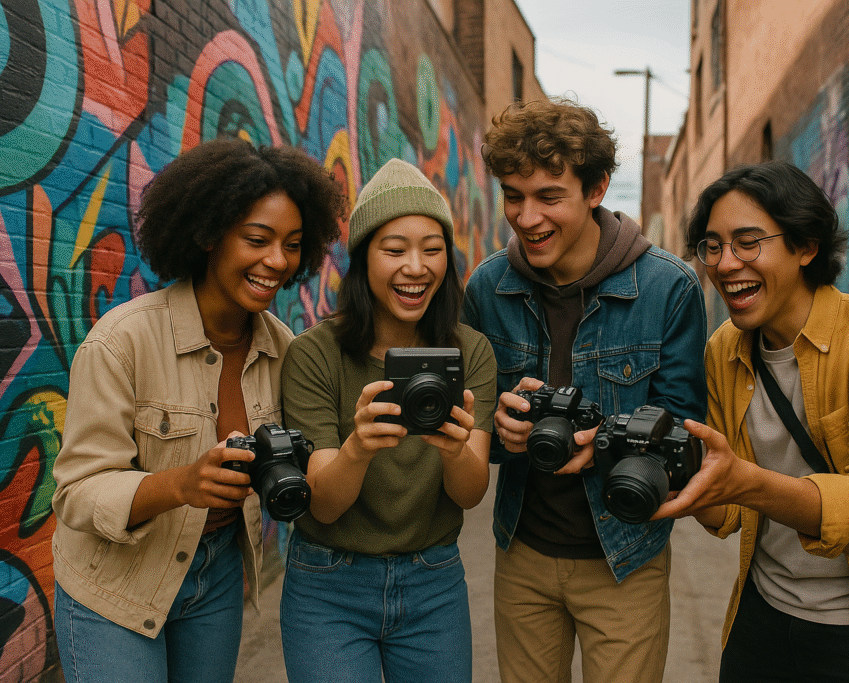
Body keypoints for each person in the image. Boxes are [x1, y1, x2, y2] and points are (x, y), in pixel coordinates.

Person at [50, 138, 346, 683]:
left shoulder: (285, 351)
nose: (277, 261)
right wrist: (182, 484)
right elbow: (76, 492)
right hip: (115, 586)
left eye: (292, 245)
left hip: (217, 579)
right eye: (257, 239)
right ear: (209, 235)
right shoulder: (122, 341)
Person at [653, 160, 849, 682]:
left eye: (748, 242)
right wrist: (672, 469)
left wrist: (747, 482)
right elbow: (728, 513)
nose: (725, 264)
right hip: (762, 615)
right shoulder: (725, 349)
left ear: (806, 246)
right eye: (713, 246)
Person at [461, 97, 707, 683]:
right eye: (513, 196)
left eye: (549, 197)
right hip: (523, 553)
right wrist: (499, 429)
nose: (526, 217)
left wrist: (606, 445)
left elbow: (685, 437)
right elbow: (470, 429)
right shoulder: (488, 287)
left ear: (596, 190)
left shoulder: (667, 288)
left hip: (626, 556)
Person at [278, 158, 497, 683]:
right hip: (328, 582)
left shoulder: (471, 352)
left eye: (432, 249)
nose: (416, 268)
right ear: (363, 259)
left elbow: (470, 493)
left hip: (433, 582)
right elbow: (324, 505)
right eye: (395, 250)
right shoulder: (314, 354)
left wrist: (453, 449)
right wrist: (357, 448)